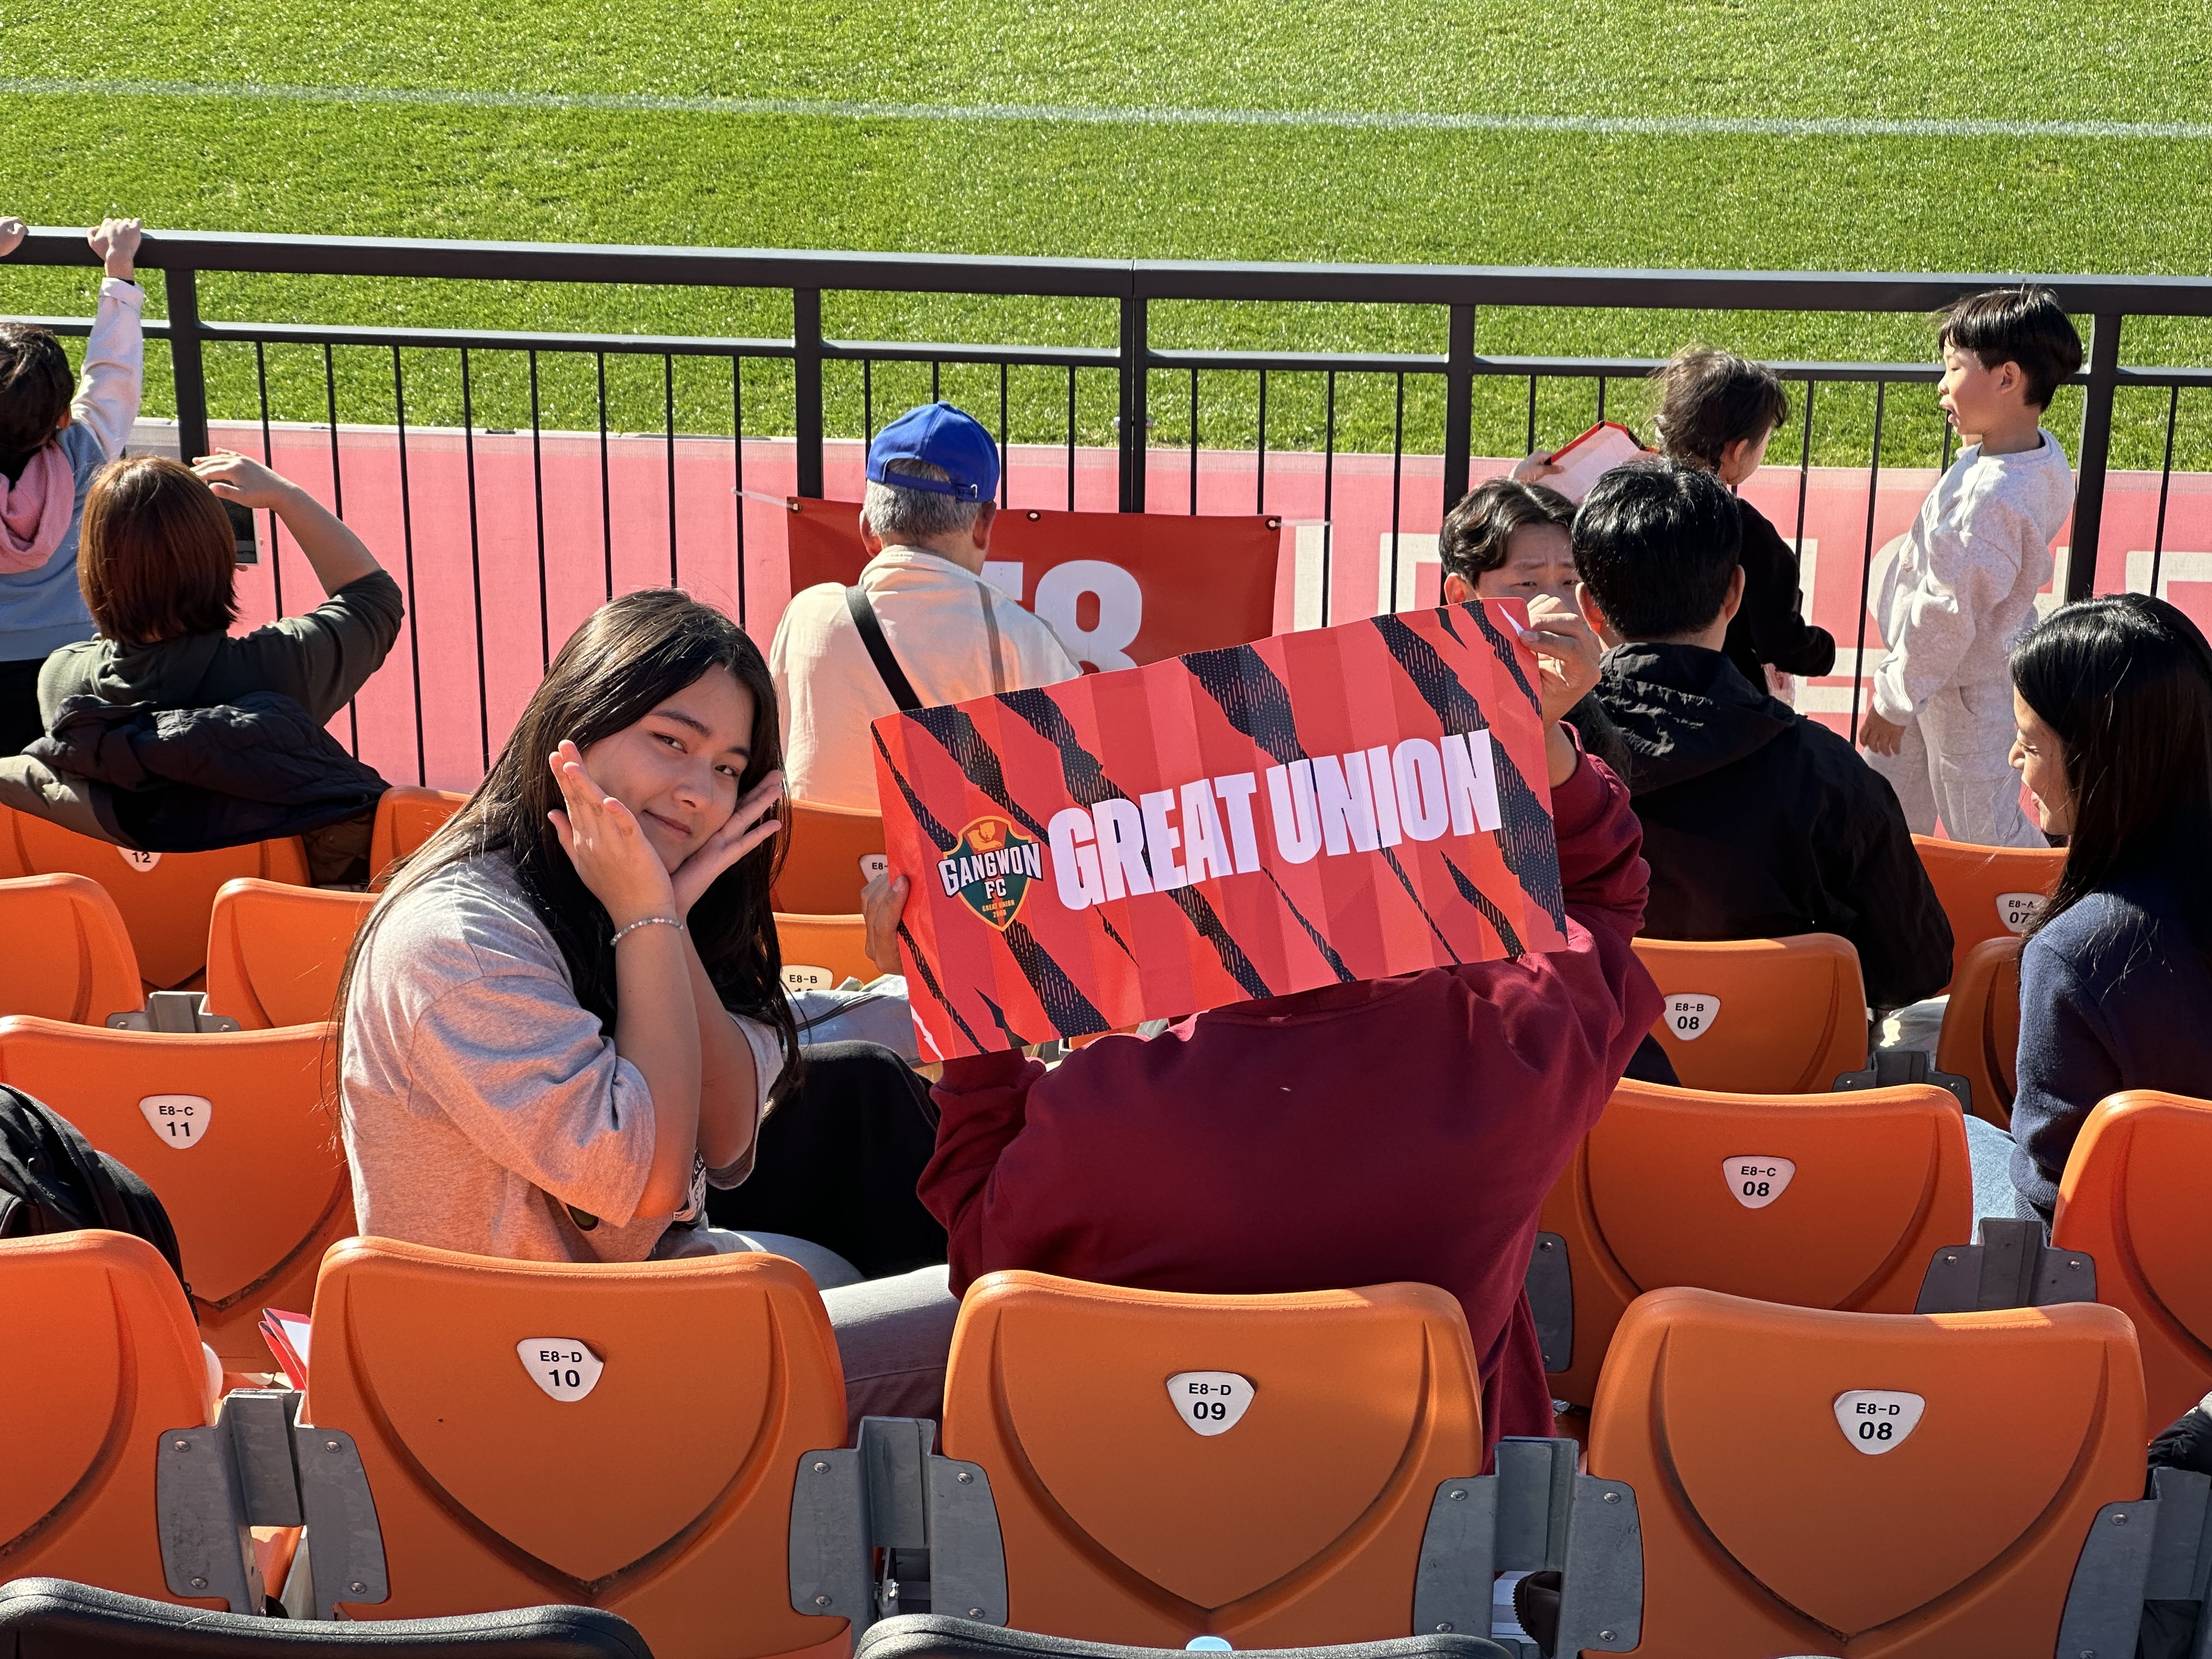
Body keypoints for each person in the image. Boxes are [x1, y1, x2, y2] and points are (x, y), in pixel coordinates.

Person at [864, 592, 1662, 1465]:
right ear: (1404, 849)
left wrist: (966, 996)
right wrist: (1538, 739)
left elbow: (982, 1251)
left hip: (1127, 1519)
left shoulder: (1101, 1114)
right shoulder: (1517, 1049)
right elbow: (1602, 898)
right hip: (1431, 1526)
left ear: (1188, 881)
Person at [338, 589, 953, 1425]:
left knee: (876, 1147)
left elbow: (726, 1133)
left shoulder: (610, 898)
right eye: (673, 742)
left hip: (622, 1316)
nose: (700, 792)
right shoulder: (462, 943)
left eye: (728, 768)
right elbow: (650, 1186)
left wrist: (670, 916)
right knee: (989, 1324)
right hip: (537, 1384)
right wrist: (648, 916)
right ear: (578, 722)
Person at [1575, 459, 1953, 1012]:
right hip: (1793, 1063)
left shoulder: (1534, 762)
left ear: (1590, 608)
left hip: (1597, 1061)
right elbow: (1917, 967)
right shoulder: (1830, 774)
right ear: (1735, 593)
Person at [0, 454, 403, 882]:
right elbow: (373, 596)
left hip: (114, 920)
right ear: (221, 559)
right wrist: (285, 496)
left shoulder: (61, 681)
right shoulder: (283, 670)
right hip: (254, 918)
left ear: (92, 570)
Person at [1962, 595, 2212, 1230]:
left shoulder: (2077, 953)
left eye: (2029, 743)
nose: (2014, 759)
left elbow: (2053, 1212)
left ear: (2097, 760)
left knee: (1946, 1138)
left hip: (2141, 1265)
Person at [770, 402, 1079, 809]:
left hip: (817, 853)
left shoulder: (805, 617)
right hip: (963, 850)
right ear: (984, 524)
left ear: (868, 529)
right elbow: (1077, 792)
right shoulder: (1022, 640)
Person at [1859, 286, 2081, 848]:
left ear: (2007, 379)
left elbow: (1946, 614)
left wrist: (1893, 699)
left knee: (1983, 831)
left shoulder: (1987, 505)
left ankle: (2036, 896)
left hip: (1959, 691)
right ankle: (1887, 884)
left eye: (1954, 368)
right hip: (1940, 677)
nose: (1942, 385)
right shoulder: (2035, 454)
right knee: (1883, 803)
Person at [0, 217, 144, 757]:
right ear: (63, 417)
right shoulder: (85, 453)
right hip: (74, 668)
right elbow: (114, 377)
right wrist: (118, 272)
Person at [1648, 347, 1836, 696]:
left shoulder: (1629, 506)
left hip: (1637, 689)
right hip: (1726, 702)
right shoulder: (1749, 535)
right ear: (1737, 449)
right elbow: (1781, 642)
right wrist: (1824, 651)